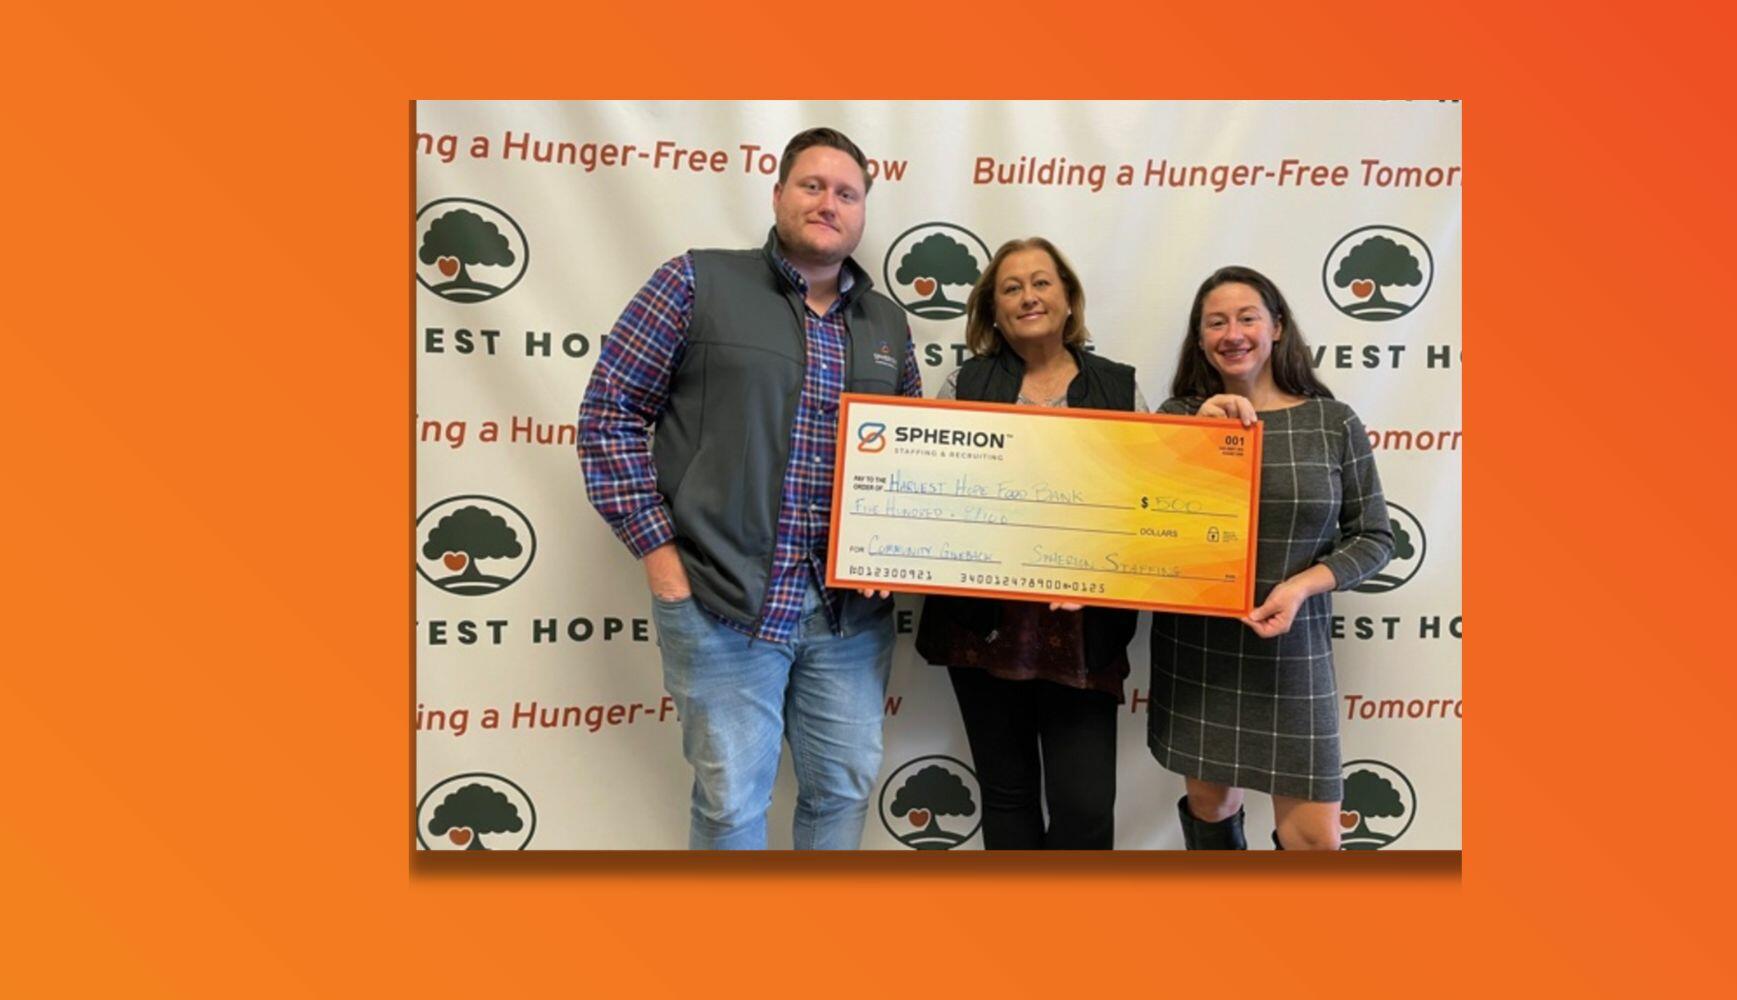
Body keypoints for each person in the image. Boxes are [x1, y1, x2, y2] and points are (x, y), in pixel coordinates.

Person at [575, 127, 919, 850]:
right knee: (731, 803)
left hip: (848, 617)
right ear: (778, 194)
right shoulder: (695, 281)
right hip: (721, 604)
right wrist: (659, 556)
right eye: (813, 185)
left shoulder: (887, 321)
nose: (829, 203)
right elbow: (610, 413)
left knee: (844, 791)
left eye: (847, 193)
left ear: (863, 214)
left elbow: (909, 454)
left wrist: (897, 550)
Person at [1149, 265, 1392, 850]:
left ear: (1277, 327)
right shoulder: (1178, 418)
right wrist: (1192, 446)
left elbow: (1375, 538)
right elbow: (1146, 526)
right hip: (1200, 649)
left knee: (1315, 838)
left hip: (1294, 651)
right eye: (1216, 322)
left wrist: (1302, 586)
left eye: (1247, 317)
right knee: (1211, 809)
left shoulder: (1332, 422)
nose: (1233, 333)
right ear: (1200, 338)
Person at [912, 236, 1141, 849]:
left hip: (1085, 628)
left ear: (1068, 299)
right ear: (992, 310)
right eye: (1011, 288)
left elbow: (1145, 505)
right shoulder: (961, 385)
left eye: (1042, 282)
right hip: (987, 626)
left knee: (1085, 806)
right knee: (1007, 797)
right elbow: (932, 501)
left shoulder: (1120, 389)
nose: (1028, 296)